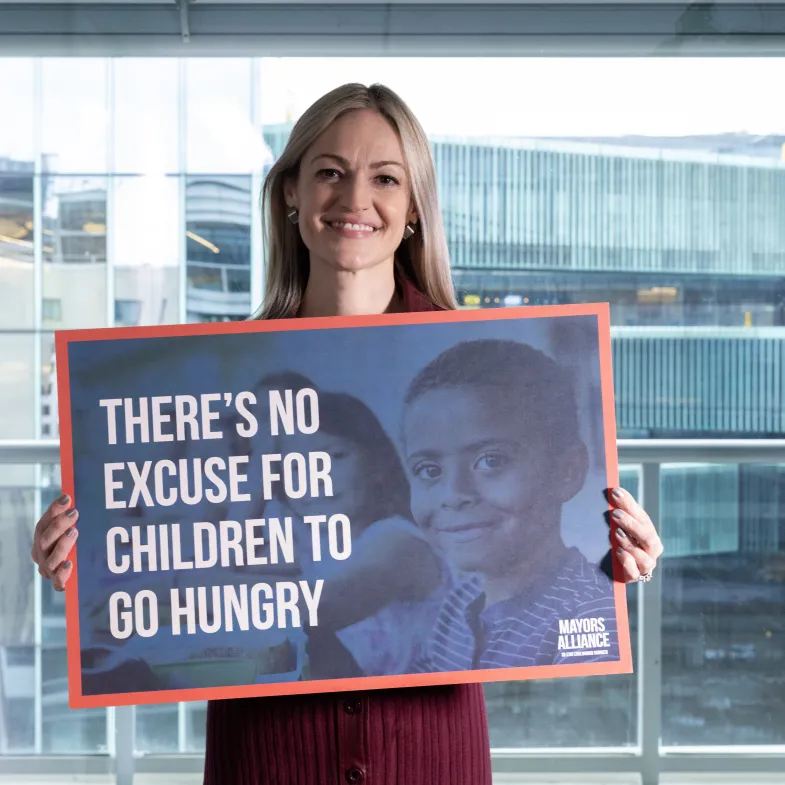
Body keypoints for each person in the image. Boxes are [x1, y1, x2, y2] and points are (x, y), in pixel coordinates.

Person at [31, 82, 664, 785]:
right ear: (291, 195)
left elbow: (517, 567)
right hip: (268, 751)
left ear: (414, 206)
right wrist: (94, 550)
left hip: (422, 751)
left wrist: (612, 562)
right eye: (329, 171)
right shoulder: (229, 403)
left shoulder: (472, 373)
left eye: (384, 177)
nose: (354, 197)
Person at [402, 338, 619, 672]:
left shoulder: (589, 615)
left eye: (491, 460)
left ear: (566, 472)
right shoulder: (459, 604)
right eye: (429, 470)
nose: (453, 494)